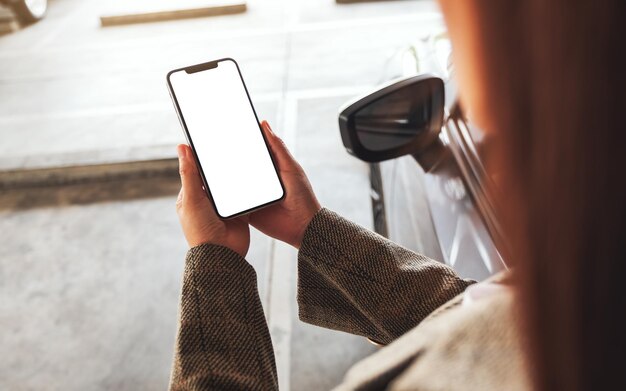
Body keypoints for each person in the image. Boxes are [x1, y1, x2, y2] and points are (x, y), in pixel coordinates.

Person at [168, 0, 626, 389]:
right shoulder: (589, 312)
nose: (462, 99)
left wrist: (215, 265)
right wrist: (313, 230)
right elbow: (484, 315)